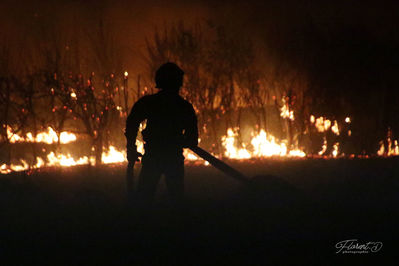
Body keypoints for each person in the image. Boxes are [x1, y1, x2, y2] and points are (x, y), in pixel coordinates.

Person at [125, 62, 198, 212]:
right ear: (178, 83)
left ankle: (140, 227)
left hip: (154, 156)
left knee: (144, 198)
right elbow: (192, 139)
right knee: (177, 200)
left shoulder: (149, 103)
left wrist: (131, 147)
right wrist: (180, 140)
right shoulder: (184, 107)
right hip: (172, 157)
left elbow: (132, 123)